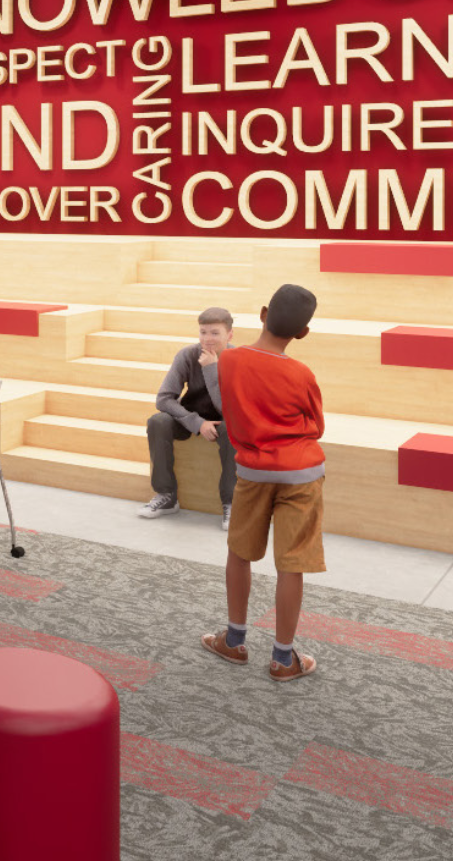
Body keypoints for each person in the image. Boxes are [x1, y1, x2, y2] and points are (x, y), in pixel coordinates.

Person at [200, 283, 324, 683]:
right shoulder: (301, 372)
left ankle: (234, 641)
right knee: (293, 565)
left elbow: (229, 408)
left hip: (252, 472)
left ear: (263, 313)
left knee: (240, 553)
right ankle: (283, 659)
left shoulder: (229, 361)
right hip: (300, 474)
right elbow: (317, 425)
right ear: (302, 333)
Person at [139, 307, 238, 530]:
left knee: (233, 428)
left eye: (215, 333)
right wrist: (197, 422)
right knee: (158, 421)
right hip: (189, 417)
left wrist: (212, 370)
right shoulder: (187, 355)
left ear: (229, 335)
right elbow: (164, 399)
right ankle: (166, 495)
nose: (207, 339)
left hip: (225, 420)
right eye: (203, 332)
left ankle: (231, 503)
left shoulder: (239, 360)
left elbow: (230, 410)